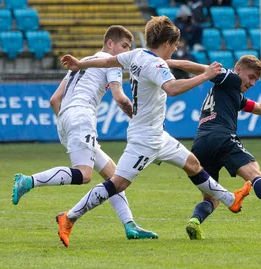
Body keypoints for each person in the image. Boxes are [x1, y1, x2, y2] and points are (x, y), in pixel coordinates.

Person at [56, 16, 251, 247]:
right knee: (117, 183)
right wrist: (205, 76)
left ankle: (231, 200)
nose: (176, 48)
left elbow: (110, 62)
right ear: (167, 42)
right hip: (145, 139)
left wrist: (81, 64)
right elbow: (172, 89)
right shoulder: (156, 64)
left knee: (193, 164)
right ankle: (68, 218)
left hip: (157, 134)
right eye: (175, 44)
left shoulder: (137, 54)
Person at [11, 25, 158, 240]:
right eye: (124, 46)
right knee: (83, 174)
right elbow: (120, 97)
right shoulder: (111, 63)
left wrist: (66, 120)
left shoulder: (81, 62)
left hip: (66, 118)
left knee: (113, 175)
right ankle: (28, 181)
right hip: (81, 116)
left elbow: (54, 99)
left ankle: (130, 225)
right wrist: (138, 118)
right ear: (110, 44)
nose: (126, 52)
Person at [166, 55, 261, 240]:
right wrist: (168, 62)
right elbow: (200, 68)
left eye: (256, 80)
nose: (252, 83)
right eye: (251, 77)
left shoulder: (231, 93)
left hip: (200, 144)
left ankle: (194, 221)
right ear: (239, 70)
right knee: (255, 175)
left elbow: (260, 107)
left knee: (211, 198)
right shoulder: (230, 78)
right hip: (223, 138)